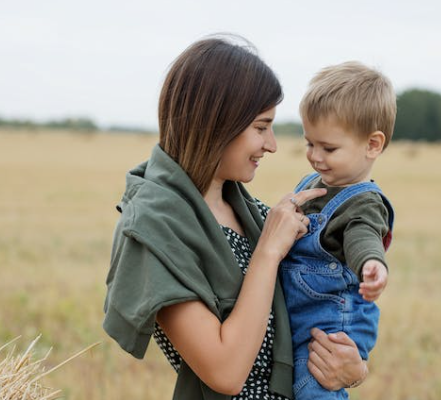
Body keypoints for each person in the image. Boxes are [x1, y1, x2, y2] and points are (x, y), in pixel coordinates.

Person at [103, 36, 367, 400]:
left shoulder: (253, 214)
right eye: (261, 127)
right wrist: (268, 252)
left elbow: (326, 305)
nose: (272, 144)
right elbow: (226, 372)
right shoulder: (153, 231)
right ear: (216, 123)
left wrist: (353, 368)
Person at [280, 61, 396, 399]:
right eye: (309, 143)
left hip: (331, 333)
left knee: (314, 389)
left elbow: (363, 236)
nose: (315, 157)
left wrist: (370, 264)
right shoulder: (313, 183)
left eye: (328, 148)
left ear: (373, 145)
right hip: (304, 322)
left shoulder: (363, 204)